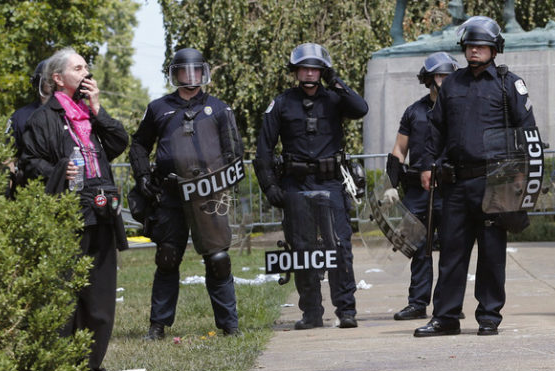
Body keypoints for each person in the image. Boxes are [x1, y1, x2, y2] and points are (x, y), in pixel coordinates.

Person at [414, 16, 536, 337]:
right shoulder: (452, 84)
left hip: (495, 182)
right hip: (456, 183)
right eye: (469, 46)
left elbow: (527, 131)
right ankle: (446, 317)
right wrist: (428, 165)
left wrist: (522, 180)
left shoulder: (509, 83)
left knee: (492, 253)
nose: (474, 52)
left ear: (495, 49)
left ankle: (489, 316)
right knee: (452, 252)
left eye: (481, 46)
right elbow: (436, 128)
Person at [21, 47, 129, 371]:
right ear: (58, 78)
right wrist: (58, 170)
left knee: (100, 292)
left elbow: (118, 141)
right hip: (70, 214)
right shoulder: (44, 117)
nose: (86, 73)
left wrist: (97, 108)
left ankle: (91, 366)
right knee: (68, 291)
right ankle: (62, 368)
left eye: (86, 67)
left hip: (102, 211)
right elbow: (29, 164)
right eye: (78, 68)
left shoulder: (89, 114)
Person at [129, 48, 242, 341]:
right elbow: (139, 145)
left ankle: (230, 325)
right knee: (167, 256)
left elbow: (234, 152)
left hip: (208, 194)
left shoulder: (219, 109)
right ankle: (158, 326)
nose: (189, 77)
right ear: (174, 74)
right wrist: (142, 177)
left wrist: (222, 181)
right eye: (183, 71)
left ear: (203, 72)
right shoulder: (158, 108)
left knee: (218, 259)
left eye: (194, 71)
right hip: (169, 194)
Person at [256, 43, 369, 330]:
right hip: (295, 184)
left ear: (321, 71)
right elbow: (264, 150)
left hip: (330, 182)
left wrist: (335, 80)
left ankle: (346, 310)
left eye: (314, 68)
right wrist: (270, 187)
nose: (309, 72)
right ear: (295, 72)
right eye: (304, 68)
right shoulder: (281, 103)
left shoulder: (334, 98)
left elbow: (361, 109)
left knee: (339, 246)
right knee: (302, 249)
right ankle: (311, 313)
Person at [386, 52, 458, 321]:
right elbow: (398, 150)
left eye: (449, 76)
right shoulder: (413, 112)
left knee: (453, 250)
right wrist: (390, 185)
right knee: (418, 248)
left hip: (450, 189)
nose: (444, 81)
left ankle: (448, 306)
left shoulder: (459, 110)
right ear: (429, 79)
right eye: (440, 75)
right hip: (417, 191)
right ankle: (417, 303)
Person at [6, 59, 48, 199]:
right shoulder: (21, 116)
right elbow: (8, 157)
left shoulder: (75, 114)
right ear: (38, 82)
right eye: (48, 77)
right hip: (29, 192)